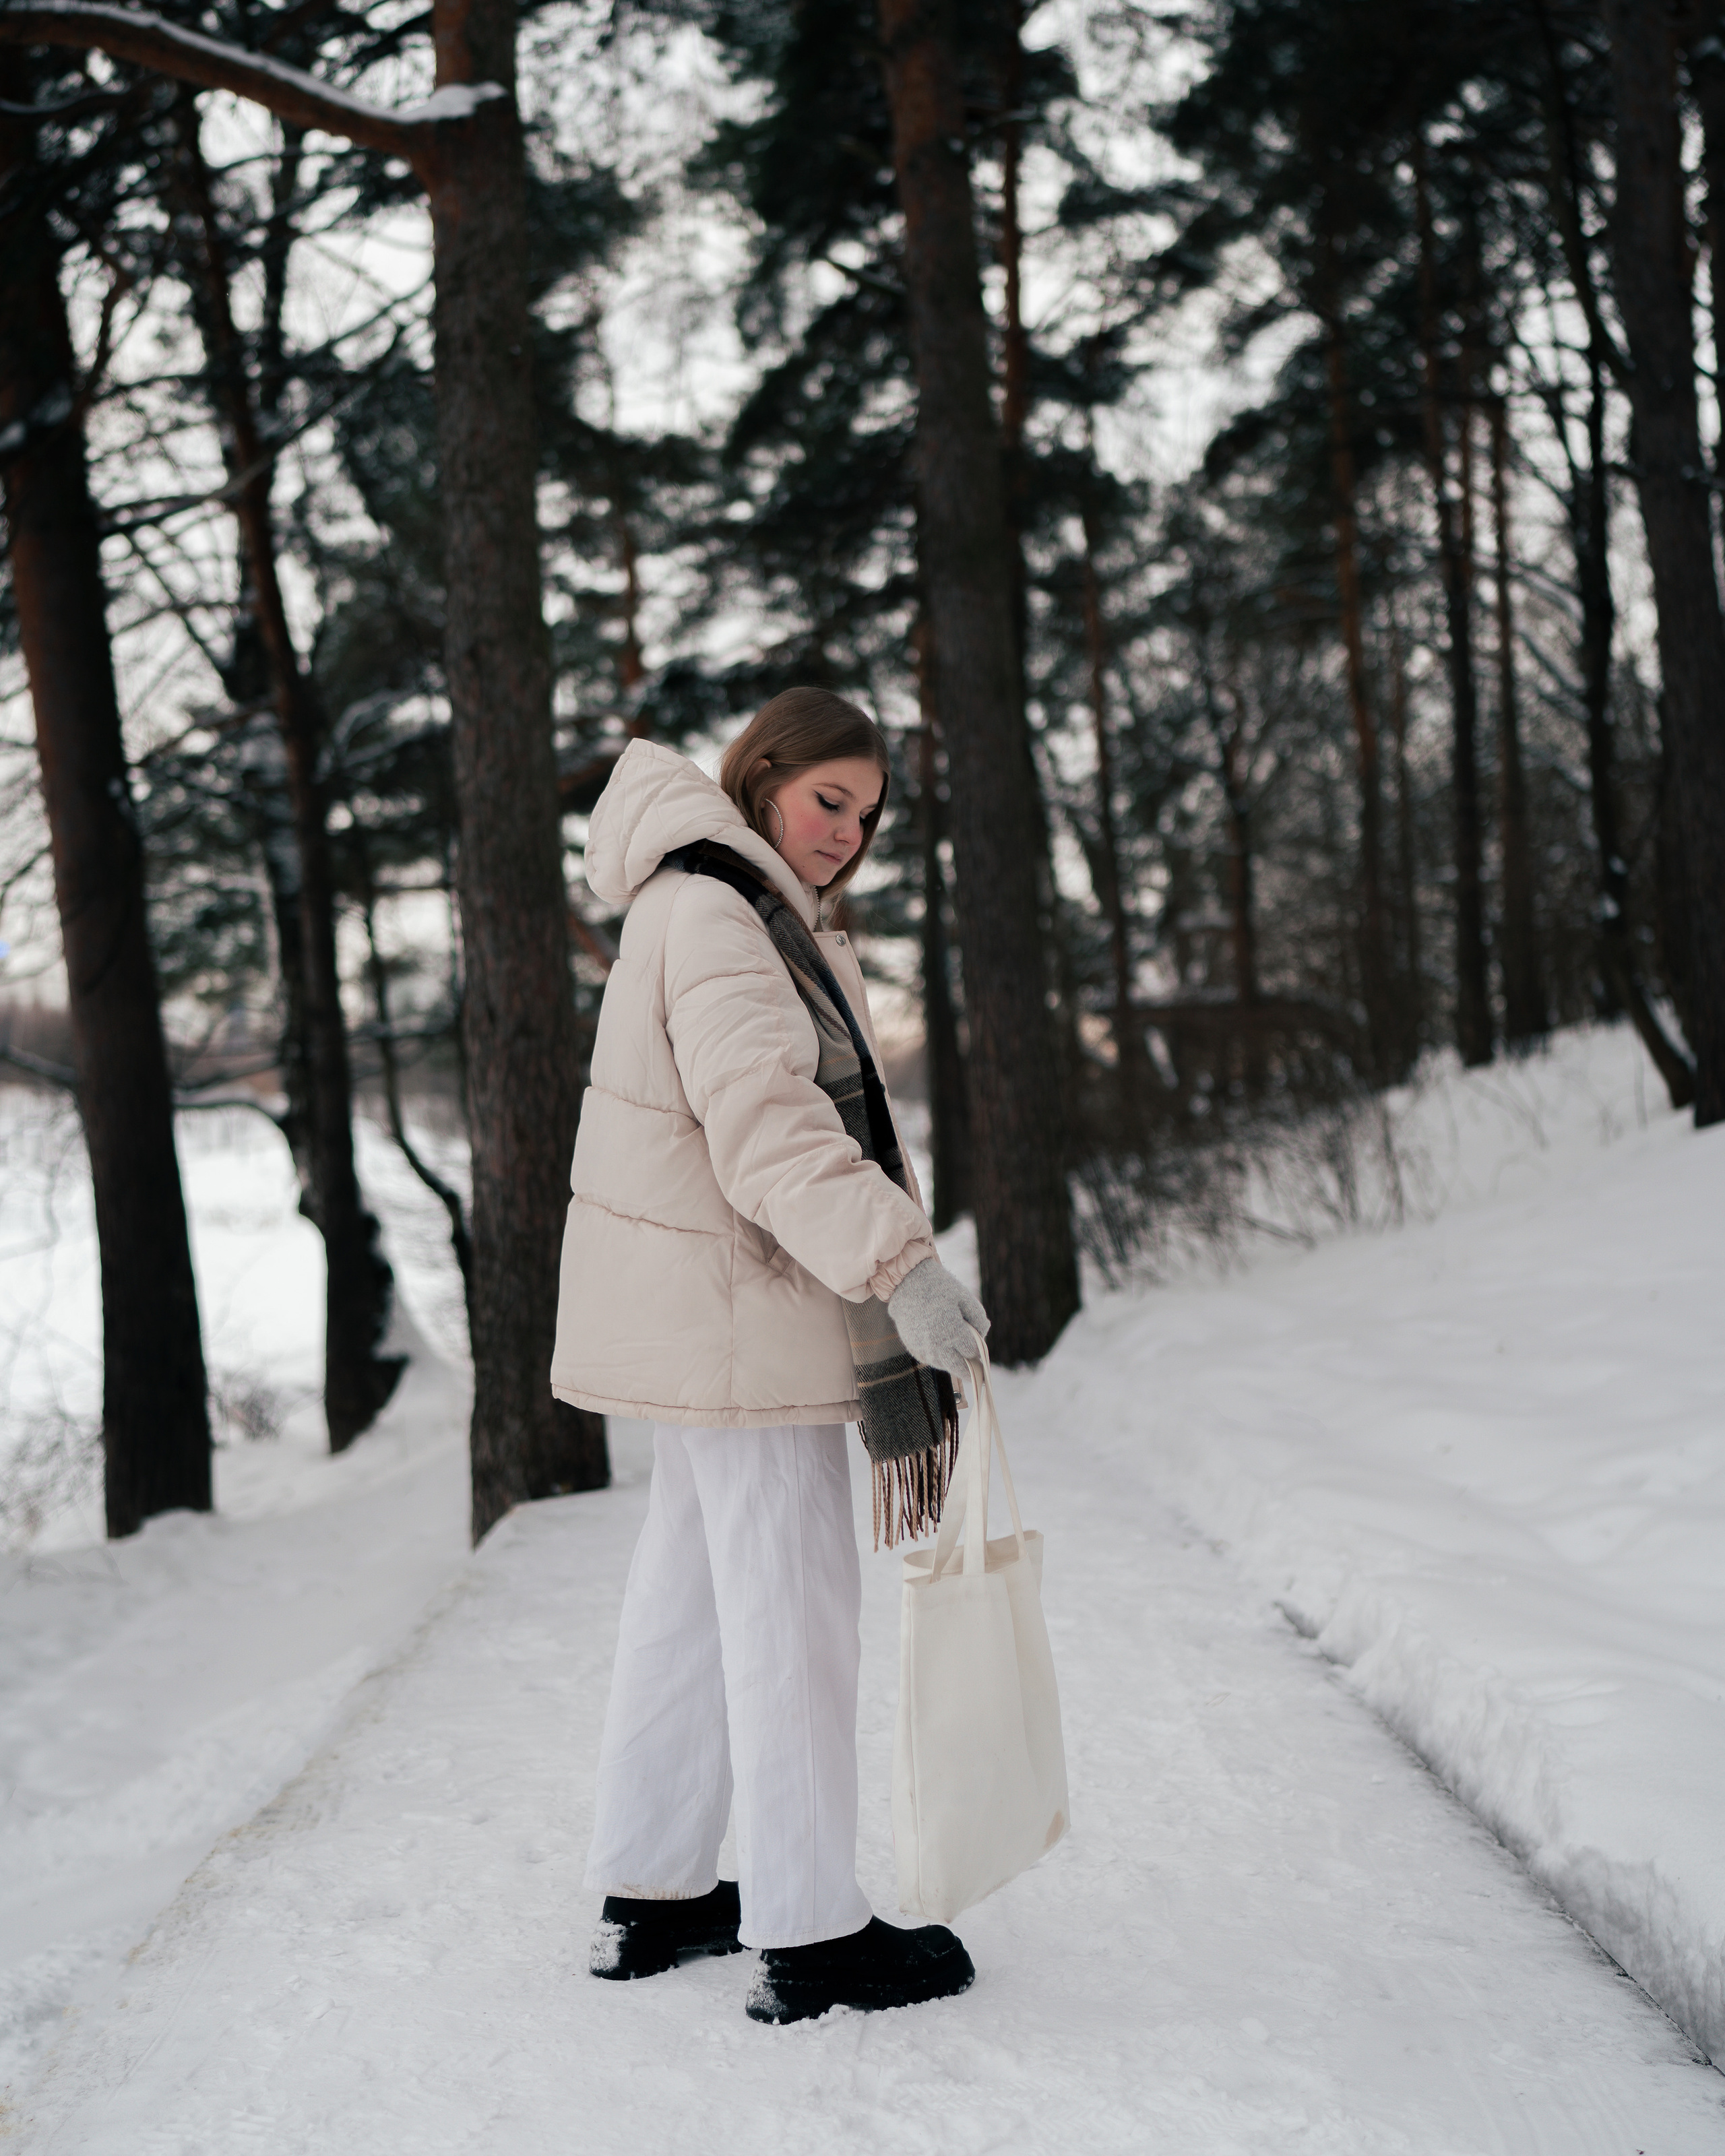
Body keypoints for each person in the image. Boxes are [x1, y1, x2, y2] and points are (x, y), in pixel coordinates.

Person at [551, 687, 989, 2025]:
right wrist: (899, 1263)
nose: (848, 834)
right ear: (761, 778)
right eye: (828, 800)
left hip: (706, 1316)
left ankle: (661, 1889)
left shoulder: (702, 902)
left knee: (688, 1603)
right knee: (793, 1616)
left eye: (867, 815)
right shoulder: (725, 917)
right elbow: (767, 1131)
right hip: (743, 1312)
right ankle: (812, 1931)